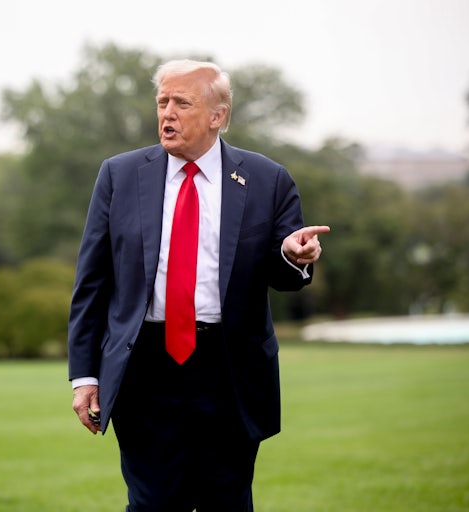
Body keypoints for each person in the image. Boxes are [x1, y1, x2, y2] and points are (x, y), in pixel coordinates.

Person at [68, 59, 329, 512]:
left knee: (226, 502)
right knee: (151, 504)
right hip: (144, 368)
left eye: (181, 103)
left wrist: (292, 255)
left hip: (230, 371)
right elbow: (92, 282)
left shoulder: (269, 180)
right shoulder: (119, 175)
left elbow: (285, 273)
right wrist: (85, 375)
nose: (166, 113)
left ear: (218, 116)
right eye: (162, 102)